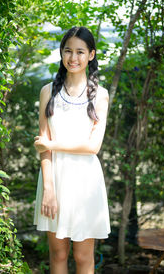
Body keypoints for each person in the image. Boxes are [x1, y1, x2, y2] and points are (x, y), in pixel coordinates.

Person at [33, 26, 110, 274]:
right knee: (58, 254)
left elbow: (93, 147)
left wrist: (53, 144)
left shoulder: (100, 95)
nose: (73, 58)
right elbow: (42, 145)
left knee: (83, 256)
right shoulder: (48, 91)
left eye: (80, 52)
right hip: (53, 178)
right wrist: (48, 189)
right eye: (68, 51)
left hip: (86, 182)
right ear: (61, 53)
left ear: (91, 55)